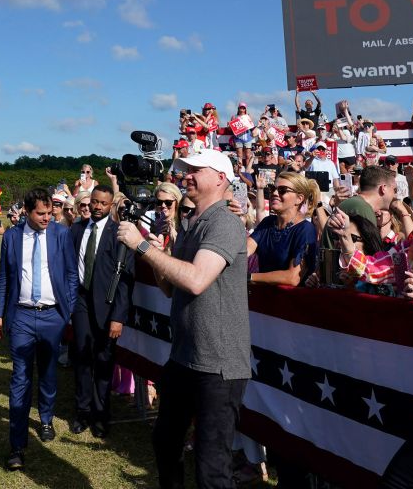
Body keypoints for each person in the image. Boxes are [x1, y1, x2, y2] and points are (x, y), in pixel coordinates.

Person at [115, 150, 249, 489]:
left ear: (220, 178)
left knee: (212, 468)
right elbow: (172, 288)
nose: (186, 174)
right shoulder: (191, 224)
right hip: (185, 358)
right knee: (165, 442)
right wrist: (155, 251)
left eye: (195, 170)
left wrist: (143, 247)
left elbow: (195, 279)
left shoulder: (224, 222)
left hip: (217, 366)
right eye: (185, 169)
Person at [0, 188, 78, 470]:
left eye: (49, 212)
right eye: (40, 213)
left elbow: (70, 275)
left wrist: (68, 312)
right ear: (27, 212)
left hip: (53, 316)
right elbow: (4, 277)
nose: (47, 217)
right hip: (22, 318)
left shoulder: (61, 234)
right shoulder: (13, 237)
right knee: (20, 378)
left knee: (49, 372)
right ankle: (17, 446)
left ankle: (45, 418)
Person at [67, 185, 130, 438]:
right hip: (81, 302)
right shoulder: (76, 229)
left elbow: (126, 280)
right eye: (94, 202)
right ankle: (82, 412)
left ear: (111, 205)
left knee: (104, 362)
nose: (96, 207)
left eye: (103, 203)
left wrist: (118, 317)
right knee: (82, 359)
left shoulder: (120, 235)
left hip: (107, 306)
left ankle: (101, 415)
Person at [248, 172, 319, 287]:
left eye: (282, 190)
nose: (274, 193)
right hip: (262, 299)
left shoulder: (305, 229)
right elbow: (243, 251)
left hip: (291, 302)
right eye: (273, 188)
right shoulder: (268, 222)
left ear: (299, 199)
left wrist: (249, 277)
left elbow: (293, 277)